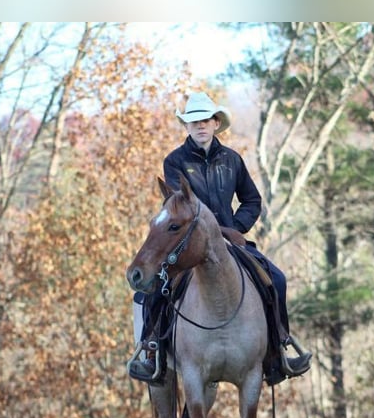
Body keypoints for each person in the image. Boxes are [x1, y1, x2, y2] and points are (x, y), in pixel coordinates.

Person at [128, 91, 311, 386]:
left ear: (215, 123)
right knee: (157, 288)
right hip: (188, 245)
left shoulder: (232, 160)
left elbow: (252, 200)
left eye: (206, 120)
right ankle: (152, 353)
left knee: (276, 279)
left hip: (231, 242)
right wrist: (213, 233)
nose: (200, 126)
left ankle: (279, 352)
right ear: (187, 126)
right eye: (194, 121)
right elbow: (181, 207)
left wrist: (236, 227)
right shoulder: (174, 162)